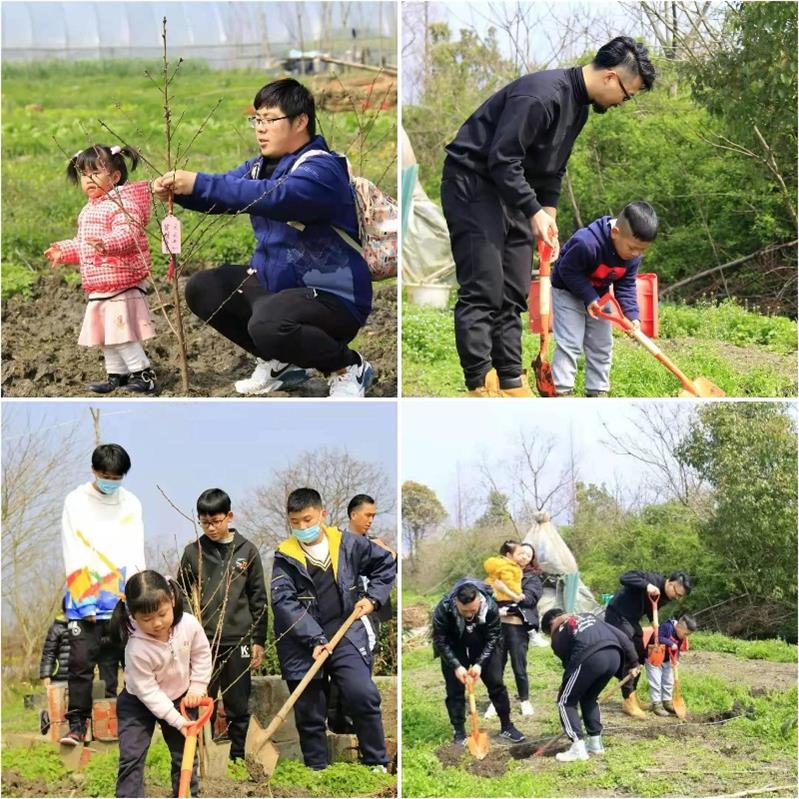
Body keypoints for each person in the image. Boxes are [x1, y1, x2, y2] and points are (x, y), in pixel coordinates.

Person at [440, 37, 655, 397]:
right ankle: (480, 384)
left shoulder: (579, 109)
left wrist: (548, 216)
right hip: (474, 183)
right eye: (627, 95)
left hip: (513, 192)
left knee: (512, 292)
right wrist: (533, 211)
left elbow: (551, 171)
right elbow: (502, 158)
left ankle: (510, 381)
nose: (623, 103)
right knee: (484, 288)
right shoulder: (542, 96)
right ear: (611, 77)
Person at [152, 78, 375, 398]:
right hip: (278, 290)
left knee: (269, 324)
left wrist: (198, 182)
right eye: (257, 119)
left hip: (332, 297)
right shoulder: (261, 167)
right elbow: (226, 192)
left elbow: (276, 196)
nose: (260, 128)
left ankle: (347, 367)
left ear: (301, 121)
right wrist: (183, 192)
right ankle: (280, 363)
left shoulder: (322, 170)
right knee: (205, 288)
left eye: (270, 119)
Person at [271, 488, 396, 770]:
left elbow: (385, 564)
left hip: (345, 631)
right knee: (310, 709)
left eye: (307, 519)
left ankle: (376, 761)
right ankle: (317, 769)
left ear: (322, 515)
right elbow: (283, 602)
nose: (302, 527)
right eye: (295, 522)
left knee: (361, 693)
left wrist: (373, 599)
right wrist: (314, 638)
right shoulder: (284, 557)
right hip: (302, 640)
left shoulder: (348, 544)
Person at [45, 144, 157, 394]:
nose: (88, 180)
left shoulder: (123, 204)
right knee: (107, 335)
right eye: (84, 175)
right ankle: (116, 374)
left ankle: (144, 373)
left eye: (95, 173)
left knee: (121, 333)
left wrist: (107, 244)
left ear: (115, 177)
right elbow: (85, 245)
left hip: (121, 281)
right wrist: (63, 251)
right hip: (100, 284)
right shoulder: (89, 209)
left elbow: (127, 234)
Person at [60, 444, 146, 746]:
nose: (111, 481)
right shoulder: (76, 502)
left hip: (121, 601)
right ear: (94, 471)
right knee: (81, 663)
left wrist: (137, 598)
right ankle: (77, 725)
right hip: (86, 599)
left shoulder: (131, 503)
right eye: (106, 476)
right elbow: (73, 549)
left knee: (133, 662)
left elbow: (136, 551)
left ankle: (136, 723)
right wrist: (84, 600)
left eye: (117, 477)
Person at [178, 489, 267, 765]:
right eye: (205, 522)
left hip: (238, 640)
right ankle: (197, 757)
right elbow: (180, 595)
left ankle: (238, 756)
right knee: (201, 698)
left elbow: (258, 599)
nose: (211, 528)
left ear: (229, 516)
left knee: (238, 703)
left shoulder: (247, 551)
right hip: (203, 642)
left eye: (216, 521)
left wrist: (258, 640)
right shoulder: (194, 552)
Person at [111, 571, 212, 798]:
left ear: (172, 601)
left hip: (181, 698)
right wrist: (178, 722)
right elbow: (149, 693)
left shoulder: (188, 624)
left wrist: (197, 688)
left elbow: (202, 655)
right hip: (138, 702)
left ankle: (185, 794)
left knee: (184, 754)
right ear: (133, 616)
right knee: (131, 756)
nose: (157, 623)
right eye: (146, 619)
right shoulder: (136, 648)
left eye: (162, 614)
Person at [551, 201, 658, 396]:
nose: (636, 254)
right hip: (567, 291)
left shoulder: (632, 256)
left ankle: (597, 391)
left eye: (642, 250)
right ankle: (562, 390)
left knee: (602, 344)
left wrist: (632, 316)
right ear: (615, 232)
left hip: (599, 295)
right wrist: (589, 297)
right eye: (633, 248)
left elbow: (625, 285)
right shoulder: (586, 243)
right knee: (571, 342)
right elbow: (567, 270)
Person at [432, 579, 526, 744]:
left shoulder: (490, 607)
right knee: (454, 690)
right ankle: (459, 732)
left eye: (473, 610)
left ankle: (507, 726)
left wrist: (479, 664)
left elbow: (493, 638)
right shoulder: (443, 609)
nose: (469, 614)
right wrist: (456, 665)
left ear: (479, 601)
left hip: (483, 643)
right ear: (456, 602)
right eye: (464, 611)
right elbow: (440, 641)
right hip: (454, 645)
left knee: (496, 683)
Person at [541, 607, 640, 762]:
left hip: (590, 657)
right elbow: (622, 636)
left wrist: (565, 689)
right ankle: (595, 743)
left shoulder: (557, 635)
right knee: (589, 698)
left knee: (565, 701)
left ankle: (578, 748)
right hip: (614, 656)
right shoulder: (588, 615)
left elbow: (571, 666)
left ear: (549, 628)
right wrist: (634, 661)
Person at [604, 570, 693, 719]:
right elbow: (624, 577)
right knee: (630, 653)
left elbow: (652, 607)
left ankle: (633, 695)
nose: (677, 598)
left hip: (632, 621)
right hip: (617, 615)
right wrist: (647, 586)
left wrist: (654, 623)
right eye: (677, 594)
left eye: (680, 597)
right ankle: (628, 701)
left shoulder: (667, 596)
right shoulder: (651, 579)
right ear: (671, 584)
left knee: (641, 654)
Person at [485, 542, 543, 719]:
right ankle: (495, 702)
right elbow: (488, 593)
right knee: (496, 667)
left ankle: (524, 700)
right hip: (497, 627)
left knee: (519, 666)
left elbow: (529, 600)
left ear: (532, 560)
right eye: (522, 553)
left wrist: (507, 593)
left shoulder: (532, 578)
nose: (524, 557)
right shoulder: (500, 571)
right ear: (513, 555)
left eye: (529, 555)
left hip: (518, 629)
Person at [646, 614, 697, 716]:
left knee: (668, 681)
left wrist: (676, 659)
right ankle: (656, 705)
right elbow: (658, 637)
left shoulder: (681, 636)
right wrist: (670, 643)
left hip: (666, 659)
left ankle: (667, 701)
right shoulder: (666, 627)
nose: (686, 637)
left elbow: (677, 648)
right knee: (656, 681)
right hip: (654, 657)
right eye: (686, 634)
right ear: (678, 627)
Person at [40, 598, 71, 686]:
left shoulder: (81, 626)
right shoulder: (56, 628)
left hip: (77, 676)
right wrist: (46, 675)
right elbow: (48, 653)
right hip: (59, 677)